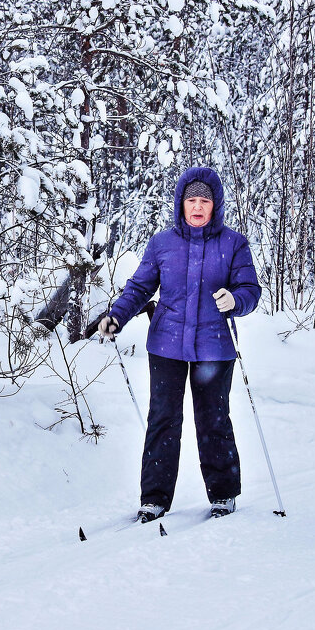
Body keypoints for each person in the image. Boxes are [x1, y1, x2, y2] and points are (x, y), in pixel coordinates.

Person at [97, 167, 262, 522]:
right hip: (166, 345)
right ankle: (154, 498)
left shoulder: (234, 244)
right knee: (163, 419)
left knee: (213, 419)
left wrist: (235, 300)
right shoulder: (162, 243)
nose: (198, 207)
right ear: (181, 204)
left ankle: (223, 494)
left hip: (215, 347)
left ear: (215, 205)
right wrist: (117, 317)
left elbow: (250, 290)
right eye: (192, 200)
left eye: (205, 200)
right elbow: (140, 288)